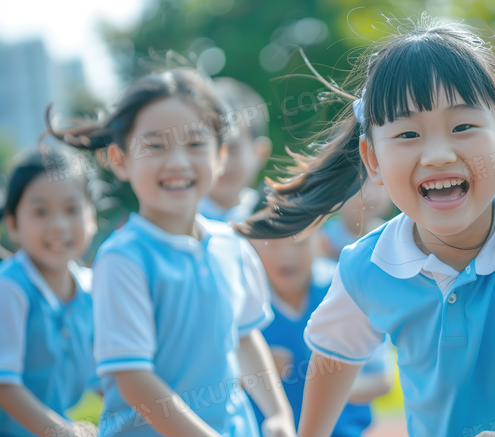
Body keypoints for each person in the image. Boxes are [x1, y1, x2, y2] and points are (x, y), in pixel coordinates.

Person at [236, 16, 495, 437]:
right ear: (372, 160)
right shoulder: (367, 267)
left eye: (463, 126)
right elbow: (334, 356)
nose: (437, 155)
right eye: (407, 134)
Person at [52, 68, 295, 437]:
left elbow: (244, 337)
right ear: (119, 160)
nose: (178, 162)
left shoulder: (232, 245)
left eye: (196, 144)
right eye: (155, 146)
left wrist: (277, 414)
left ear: (221, 155)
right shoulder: (123, 258)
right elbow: (134, 377)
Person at [251, 233, 394, 436]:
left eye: (299, 242)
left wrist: (328, 385)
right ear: (251, 246)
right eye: (272, 243)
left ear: (321, 243)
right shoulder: (242, 298)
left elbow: (381, 379)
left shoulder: (347, 286)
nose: (286, 253)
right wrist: (256, 368)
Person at [0, 148, 99, 437]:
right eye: (40, 211)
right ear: (12, 224)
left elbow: (105, 376)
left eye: (72, 209)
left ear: (91, 217)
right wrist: (64, 432)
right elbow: (4, 385)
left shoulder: (92, 289)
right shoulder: (10, 289)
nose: (58, 225)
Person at [198, 77, 271, 223]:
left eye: (233, 150)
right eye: (212, 150)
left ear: (259, 153)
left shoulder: (275, 218)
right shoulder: (175, 223)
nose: (222, 164)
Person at [319, 181, 393, 260]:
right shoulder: (323, 241)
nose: (367, 193)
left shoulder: (390, 236)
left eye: (376, 184)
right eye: (356, 186)